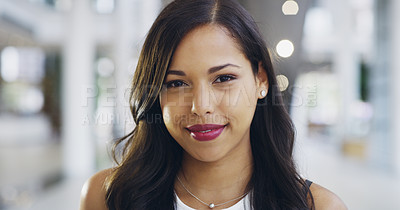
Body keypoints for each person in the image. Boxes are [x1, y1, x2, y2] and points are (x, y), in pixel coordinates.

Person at [80, 0, 347, 209]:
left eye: (223, 78)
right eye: (176, 83)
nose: (201, 106)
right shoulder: (107, 197)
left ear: (261, 80)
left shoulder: (318, 206)